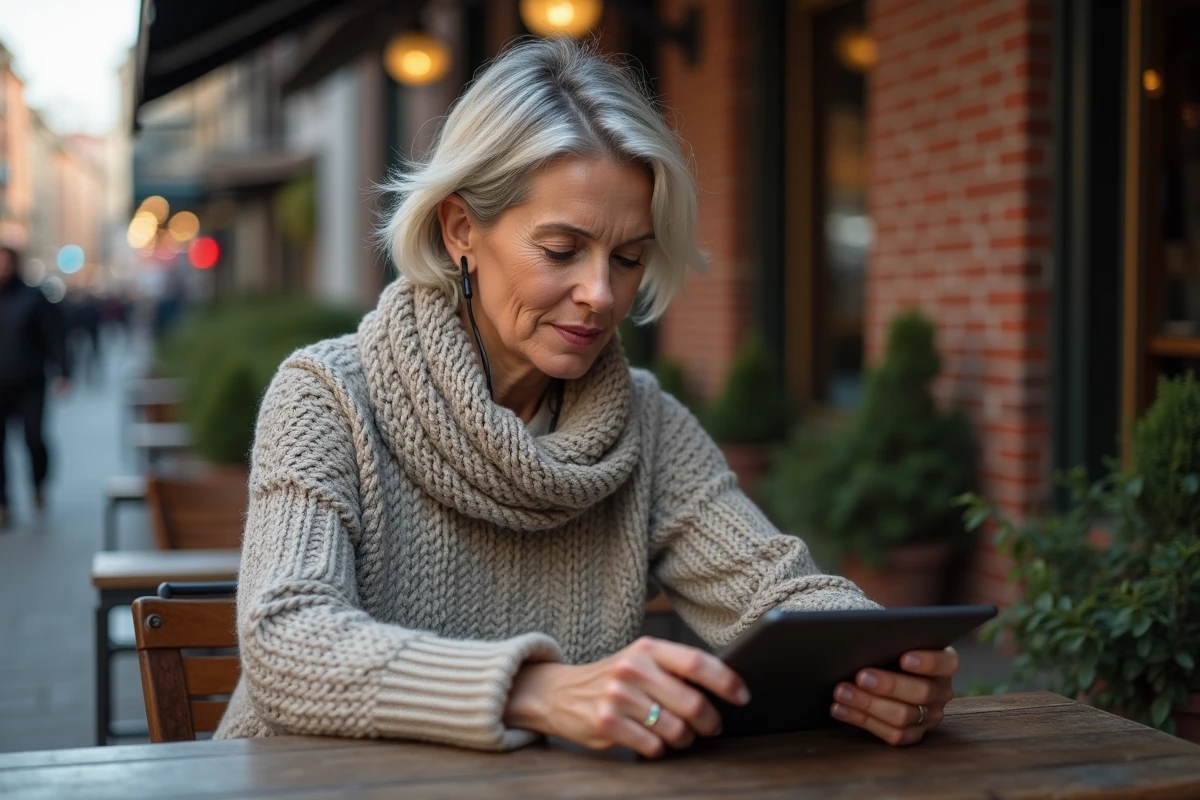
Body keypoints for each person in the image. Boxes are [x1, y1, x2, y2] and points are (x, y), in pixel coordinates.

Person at [214, 39, 960, 757]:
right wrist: (535, 690)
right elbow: (286, 640)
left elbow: (775, 591)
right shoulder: (328, 397)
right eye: (562, 250)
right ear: (461, 228)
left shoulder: (647, 426)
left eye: (628, 258)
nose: (601, 295)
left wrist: (885, 660)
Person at [0, 246, 70, 527]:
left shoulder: (33, 297)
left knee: (34, 438)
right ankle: (3, 503)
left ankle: (38, 484)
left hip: (30, 382)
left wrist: (63, 372)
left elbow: (54, 335)